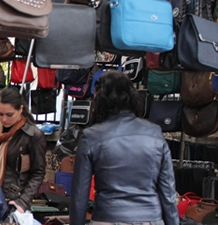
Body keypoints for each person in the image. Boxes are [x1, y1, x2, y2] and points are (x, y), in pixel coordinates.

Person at [70, 71, 178, 225]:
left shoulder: (91, 136)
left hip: (109, 217)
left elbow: (80, 195)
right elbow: (168, 192)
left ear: (100, 99)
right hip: (150, 217)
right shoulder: (154, 133)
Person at [0, 86, 46, 214]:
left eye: (9, 115)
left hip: (14, 200)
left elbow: (38, 173)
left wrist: (23, 202)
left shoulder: (32, 135)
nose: (4, 119)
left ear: (20, 110)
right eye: (0, 114)